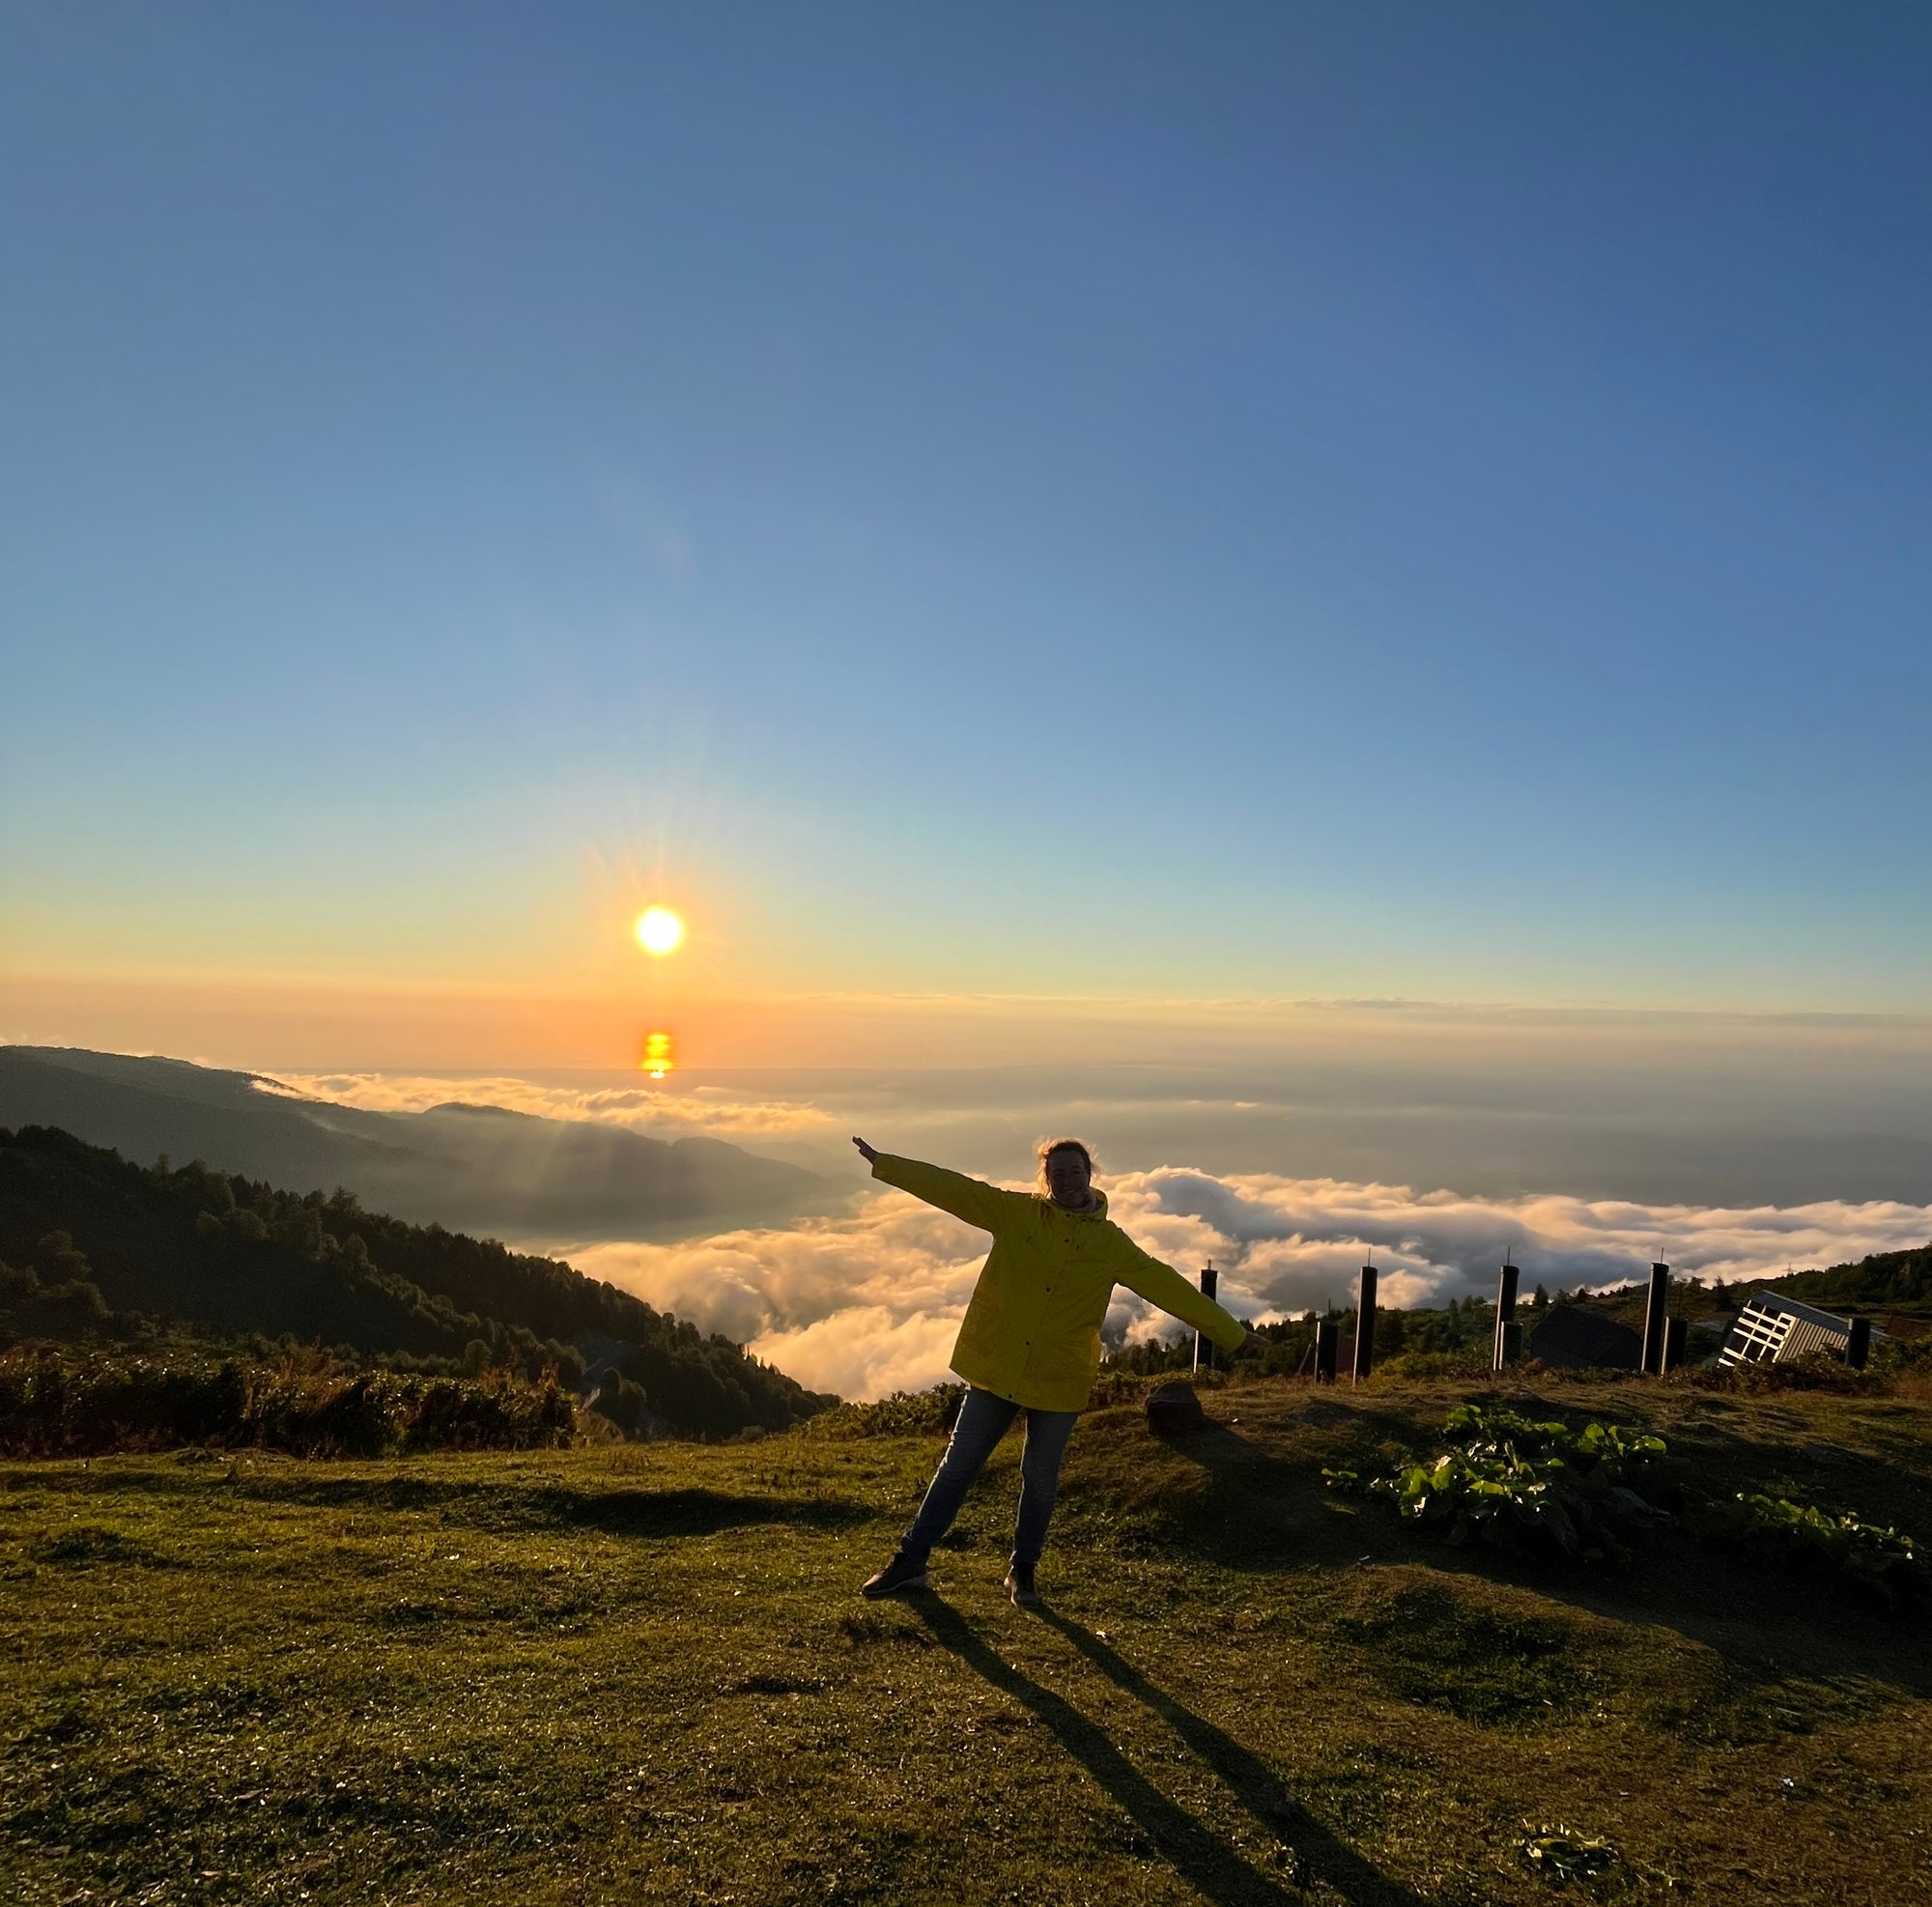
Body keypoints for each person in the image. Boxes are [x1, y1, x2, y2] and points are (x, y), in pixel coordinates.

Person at [852, 1135, 1264, 1608]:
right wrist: (886, 1164)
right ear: (1045, 1178)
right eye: (1057, 1173)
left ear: (1091, 1175)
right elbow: (955, 1190)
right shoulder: (1017, 1214)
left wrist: (1232, 1333)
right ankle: (911, 1560)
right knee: (957, 1467)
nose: (1066, 1181)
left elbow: (1170, 1288)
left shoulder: (1111, 1246)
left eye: (1074, 1171)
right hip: (998, 1363)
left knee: (1040, 1478)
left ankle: (1022, 1572)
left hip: (1058, 1374)